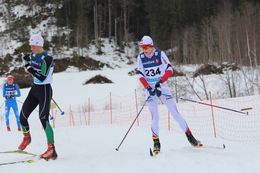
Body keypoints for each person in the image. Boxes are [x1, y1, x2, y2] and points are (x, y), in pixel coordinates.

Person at [136, 35, 201, 154]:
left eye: (145, 47)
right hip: (150, 90)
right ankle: (156, 143)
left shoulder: (160, 54)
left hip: (162, 88)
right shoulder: (140, 58)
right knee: (154, 117)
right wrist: (147, 87)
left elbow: (170, 69)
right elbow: (140, 75)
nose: (144, 49)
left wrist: (160, 82)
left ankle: (190, 137)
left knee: (175, 113)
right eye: (142, 47)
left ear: (151, 46)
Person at [18, 34, 57, 160]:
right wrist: (25, 59)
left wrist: (29, 68)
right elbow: (27, 57)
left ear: (39, 45)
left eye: (33, 46)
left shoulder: (47, 58)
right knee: (22, 116)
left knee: (43, 118)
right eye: (31, 46)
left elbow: (42, 76)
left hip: (45, 90)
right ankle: (27, 138)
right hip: (35, 89)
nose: (31, 48)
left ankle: (51, 149)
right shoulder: (33, 55)